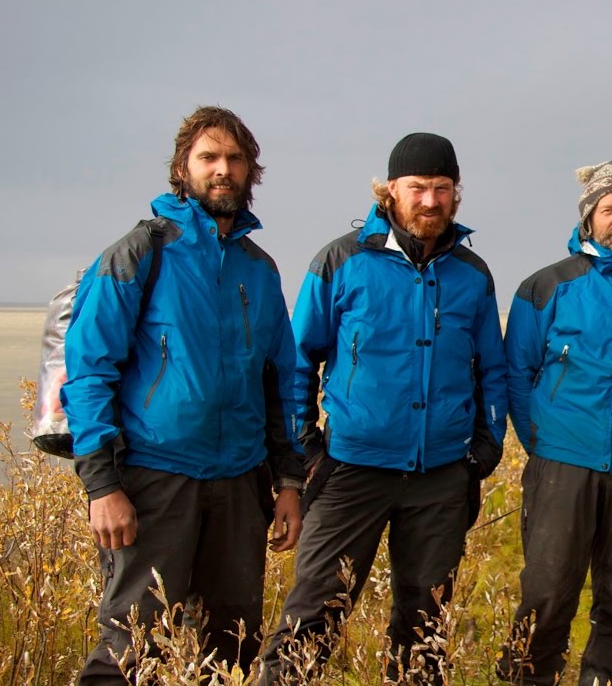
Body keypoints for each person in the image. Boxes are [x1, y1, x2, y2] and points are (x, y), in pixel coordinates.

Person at [63, 106, 305, 684]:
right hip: (153, 482)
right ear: (182, 167)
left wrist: (289, 483)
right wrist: (103, 485)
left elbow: (281, 383)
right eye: (209, 157)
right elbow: (89, 371)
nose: (223, 169)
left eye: (235, 158)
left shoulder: (260, 269)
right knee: (132, 648)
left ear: (251, 171)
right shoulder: (138, 254)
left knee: (232, 649)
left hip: (240, 486)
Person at [260, 132, 507, 683]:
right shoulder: (343, 261)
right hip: (351, 470)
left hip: (441, 475)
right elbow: (296, 360)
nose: (430, 201)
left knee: (425, 629)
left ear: (456, 194)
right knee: (313, 619)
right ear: (390, 190)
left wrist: (486, 448)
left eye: (443, 189)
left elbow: (492, 369)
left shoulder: (472, 274)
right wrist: (307, 449)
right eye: (417, 187)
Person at [496, 162, 612, 686]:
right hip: (561, 463)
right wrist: (540, 439)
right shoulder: (547, 286)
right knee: (547, 595)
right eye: (608, 209)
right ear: (588, 219)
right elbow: (518, 371)